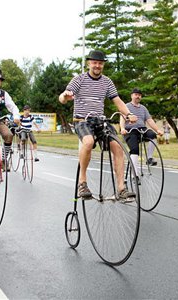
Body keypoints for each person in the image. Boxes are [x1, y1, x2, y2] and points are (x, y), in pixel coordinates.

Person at [59, 50, 138, 199]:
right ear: (89, 63)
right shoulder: (79, 80)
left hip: (100, 121)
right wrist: (65, 96)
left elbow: (118, 101)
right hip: (82, 120)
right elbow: (63, 97)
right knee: (88, 142)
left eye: (100, 63)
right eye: (94, 63)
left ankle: (121, 188)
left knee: (118, 147)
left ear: (103, 65)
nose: (97, 66)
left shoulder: (107, 82)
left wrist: (128, 114)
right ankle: (82, 183)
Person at [120, 88, 163, 175]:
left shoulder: (143, 108)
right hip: (130, 130)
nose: (138, 96)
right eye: (136, 94)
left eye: (139, 95)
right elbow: (122, 118)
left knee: (152, 135)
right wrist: (122, 128)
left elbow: (149, 120)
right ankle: (135, 175)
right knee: (135, 149)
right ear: (132, 96)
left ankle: (149, 158)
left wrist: (157, 130)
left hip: (141, 129)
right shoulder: (126, 106)